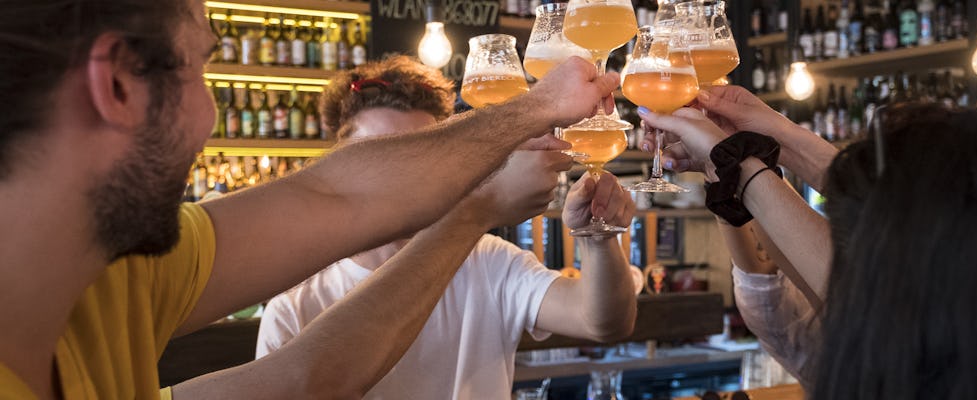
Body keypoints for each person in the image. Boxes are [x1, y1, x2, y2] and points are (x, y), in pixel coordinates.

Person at [0, 1, 621, 399]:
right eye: (199, 69)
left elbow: (334, 191)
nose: (210, 111)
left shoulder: (117, 274)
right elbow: (311, 381)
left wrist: (535, 109)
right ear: (116, 85)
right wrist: (478, 206)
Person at [256, 56, 638, 400]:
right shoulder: (295, 306)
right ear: (338, 163)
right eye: (377, 153)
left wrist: (598, 237)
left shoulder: (488, 261)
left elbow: (602, 321)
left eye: (421, 154)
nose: (399, 174)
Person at [643, 91, 977, 397]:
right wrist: (778, 135)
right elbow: (884, 210)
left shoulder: (911, 344)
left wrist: (736, 165)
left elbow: (874, 282)